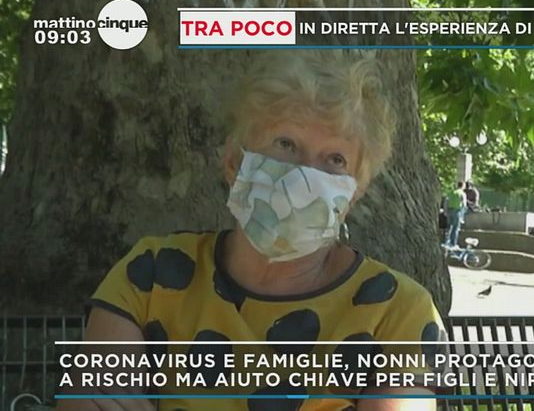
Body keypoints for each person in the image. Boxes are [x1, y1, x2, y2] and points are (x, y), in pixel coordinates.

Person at [57, 51, 445, 411]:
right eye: (286, 143)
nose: (305, 175)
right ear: (233, 160)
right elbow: (87, 403)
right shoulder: (152, 274)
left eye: (335, 159)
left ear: (354, 194)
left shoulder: (398, 311)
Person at [443, 182, 467, 249]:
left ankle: (446, 242)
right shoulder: (462, 193)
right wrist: (462, 216)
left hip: (449, 210)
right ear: (463, 186)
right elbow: (464, 205)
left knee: (449, 227)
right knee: (455, 228)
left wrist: (445, 211)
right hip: (457, 211)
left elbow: (446, 202)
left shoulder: (451, 192)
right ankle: (453, 243)